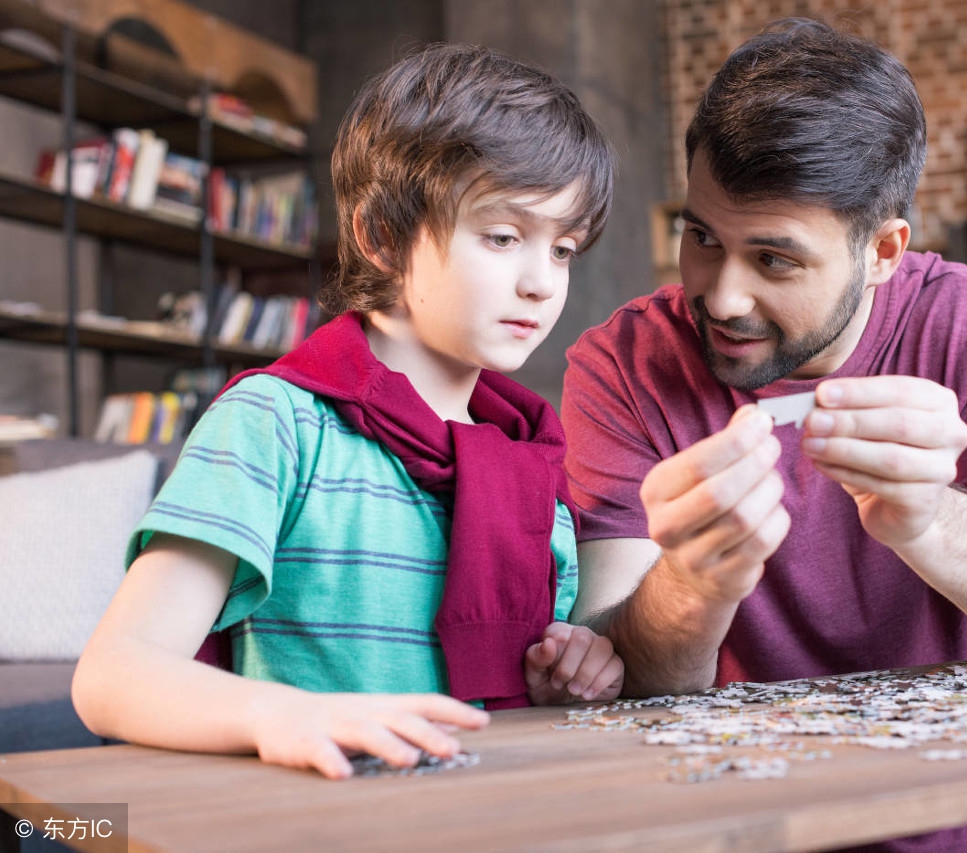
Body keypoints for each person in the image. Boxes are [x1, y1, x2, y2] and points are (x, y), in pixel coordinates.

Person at [560, 18, 967, 853]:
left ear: (884, 250)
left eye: (775, 260)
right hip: (713, 831)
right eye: (702, 238)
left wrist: (932, 520)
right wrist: (694, 581)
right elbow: (622, 677)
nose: (721, 296)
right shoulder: (624, 363)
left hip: (940, 832)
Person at [72, 42, 623, 780]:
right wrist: (284, 713)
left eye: (563, 249)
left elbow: (526, 698)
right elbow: (111, 674)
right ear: (381, 236)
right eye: (502, 236)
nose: (541, 283)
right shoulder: (278, 424)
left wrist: (569, 671)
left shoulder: (533, 460)